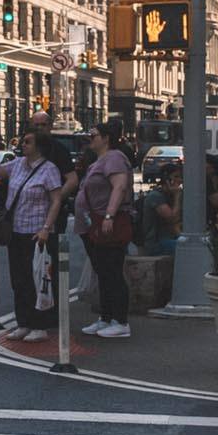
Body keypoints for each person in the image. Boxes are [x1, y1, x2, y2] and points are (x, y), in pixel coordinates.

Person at [0, 127, 63, 343]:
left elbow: (56, 200)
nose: (23, 145)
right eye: (23, 142)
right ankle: (23, 322)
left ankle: (40, 325)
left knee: (38, 280)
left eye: (28, 142)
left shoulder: (49, 169)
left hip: (36, 232)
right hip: (16, 230)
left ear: (39, 147)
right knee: (19, 280)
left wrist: (46, 227)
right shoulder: (17, 165)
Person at [76, 118, 134, 338]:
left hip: (108, 223)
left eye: (94, 136)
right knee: (102, 272)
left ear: (106, 139)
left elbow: (119, 187)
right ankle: (106, 317)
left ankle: (121, 322)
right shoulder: (99, 160)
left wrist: (109, 215)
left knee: (112, 272)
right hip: (95, 224)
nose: (90, 140)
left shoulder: (115, 158)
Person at [142, 159, 183, 256]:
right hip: (157, 243)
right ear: (166, 179)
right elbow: (172, 218)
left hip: (171, 238)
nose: (179, 180)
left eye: (180, 177)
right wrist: (177, 196)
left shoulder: (170, 195)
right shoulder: (156, 197)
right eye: (176, 177)